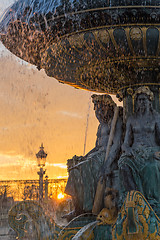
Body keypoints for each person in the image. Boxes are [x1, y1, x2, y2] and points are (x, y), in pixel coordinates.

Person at [65, 94, 123, 216]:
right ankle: (78, 207)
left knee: (85, 167)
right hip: (97, 154)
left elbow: (116, 145)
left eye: (101, 108)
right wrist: (84, 157)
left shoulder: (115, 122)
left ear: (108, 107)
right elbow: (96, 147)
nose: (98, 112)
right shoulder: (101, 125)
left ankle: (88, 207)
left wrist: (107, 165)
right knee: (74, 168)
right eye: (96, 109)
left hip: (107, 156)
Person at [118, 86, 160, 206]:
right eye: (139, 100)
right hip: (135, 152)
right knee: (123, 165)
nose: (141, 102)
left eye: (144, 99)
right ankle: (136, 199)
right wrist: (127, 150)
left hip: (152, 151)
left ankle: (152, 201)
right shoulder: (132, 119)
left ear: (150, 101)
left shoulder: (156, 117)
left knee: (151, 167)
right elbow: (126, 142)